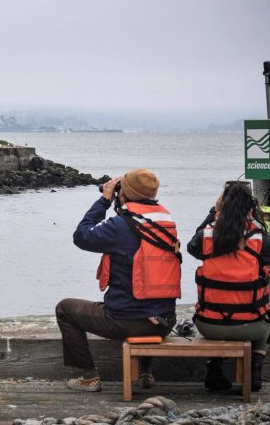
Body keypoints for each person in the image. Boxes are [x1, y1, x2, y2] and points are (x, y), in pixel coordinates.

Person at [56, 168, 181, 392]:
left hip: (127, 322)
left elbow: (82, 236)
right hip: (164, 321)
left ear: (126, 192)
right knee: (149, 301)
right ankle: (145, 372)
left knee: (65, 309)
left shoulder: (121, 226)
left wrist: (104, 200)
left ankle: (88, 377)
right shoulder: (166, 219)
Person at [187, 182, 270, 392]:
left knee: (214, 312)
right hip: (251, 326)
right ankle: (255, 372)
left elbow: (192, 246)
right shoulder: (259, 238)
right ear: (250, 206)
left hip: (209, 325)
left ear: (222, 204)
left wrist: (214, 212)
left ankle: (214, 370)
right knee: (267, 321)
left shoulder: (206, 237)